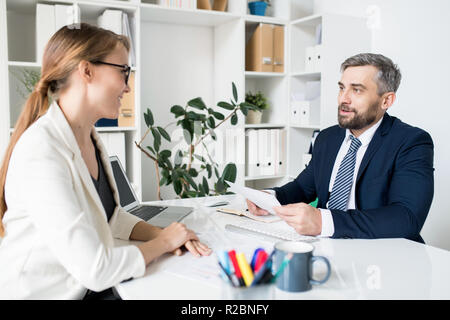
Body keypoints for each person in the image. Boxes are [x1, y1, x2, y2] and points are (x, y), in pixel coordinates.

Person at [0, 23, 211, 300]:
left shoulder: (87, 135)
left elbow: (109, 216)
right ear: (86, 71)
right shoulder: (41, 151)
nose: (127, 86)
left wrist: (164, 235)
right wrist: (163, 242)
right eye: (123, 71)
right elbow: (96, 269)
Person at [247, 53, 434, 243]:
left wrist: (323, 221)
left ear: (386, 101)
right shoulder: (327, 138)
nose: (343, 99)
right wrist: (270, 197)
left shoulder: (411, 142)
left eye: (357, 90)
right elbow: (303, 188)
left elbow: (406, 218)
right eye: (342, 88)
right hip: (326, 246)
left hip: (381, 255)